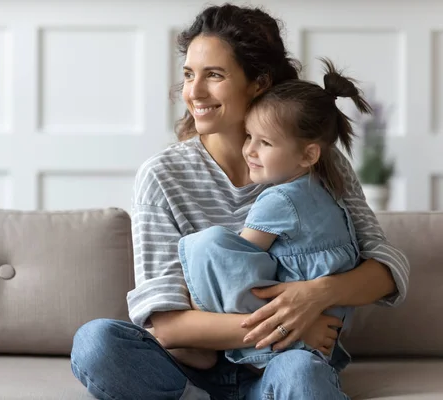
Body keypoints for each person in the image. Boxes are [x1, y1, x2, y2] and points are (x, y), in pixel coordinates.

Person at [71, 4, 409, 399]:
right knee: (96, 343)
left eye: (213, 75)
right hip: (190, 371)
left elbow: (388, 269)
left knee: (301, 373)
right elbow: (165, 325)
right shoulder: (162, 176)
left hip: (286, 361)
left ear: (258, 82)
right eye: (188, 74)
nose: (193, 92)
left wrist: (315, 296)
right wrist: (291, 324)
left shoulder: (314, 163)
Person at [171, 58, 370, 372]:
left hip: (292, 326)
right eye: (249, 137)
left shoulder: (278, 200)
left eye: (264, 143)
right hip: (331, 322)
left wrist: (195, 305)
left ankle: (202, 337)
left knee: (208, 246)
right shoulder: (325, 185)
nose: (249, 150)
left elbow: (236, 259)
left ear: (308, 154)